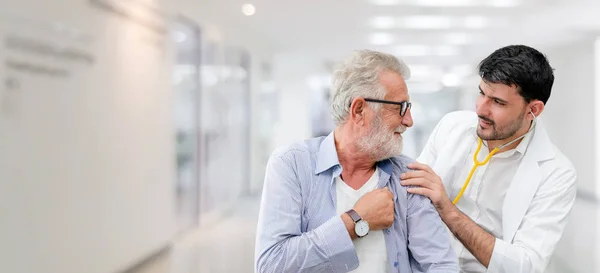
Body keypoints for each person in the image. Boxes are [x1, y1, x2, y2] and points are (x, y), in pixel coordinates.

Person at [254, 50, 458, 273]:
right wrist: (357, 221)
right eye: (400, 107)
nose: (409, 121)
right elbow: (271, 265)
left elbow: (441, 264)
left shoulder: (408, 177)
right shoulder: (291, 164)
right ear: (359, 110)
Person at [401, 45, 577, 273]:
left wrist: (449, 211)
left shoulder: (556, 173)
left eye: (498, 102)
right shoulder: (451, 127)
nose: (480, 109)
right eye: (482, 93)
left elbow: (526, 265)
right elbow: (413, 197)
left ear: (533, 109)